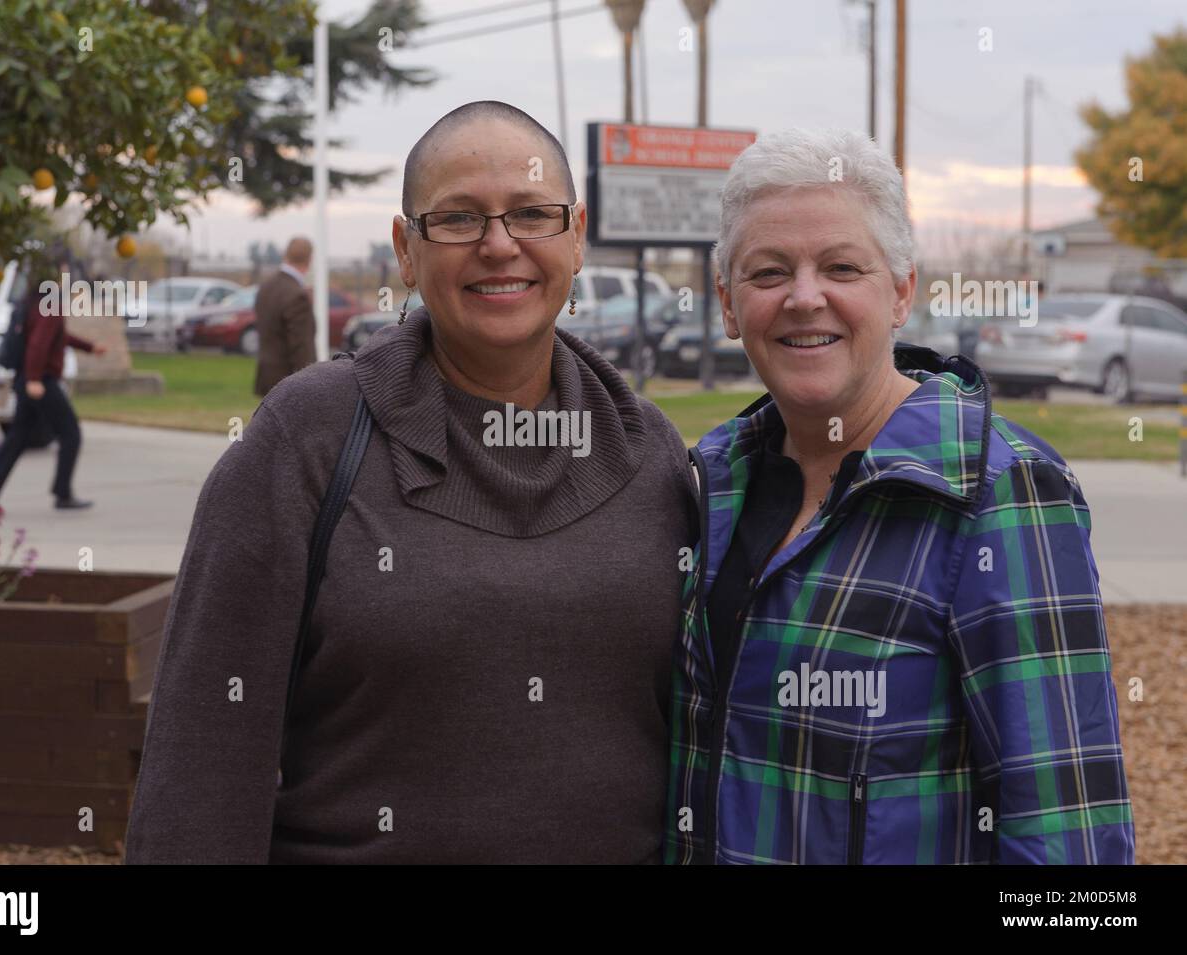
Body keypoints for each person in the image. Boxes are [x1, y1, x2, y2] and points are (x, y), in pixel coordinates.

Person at [126, 101, 696, 863]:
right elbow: (200, 759)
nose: (500, 246)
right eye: (459, 219)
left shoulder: (646, 450)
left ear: (577, 235)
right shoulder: (309, 441)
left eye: (531, 214)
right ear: (405, 248)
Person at [665, 129, 1134, 865]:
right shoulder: (711, 482)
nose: (804, 296)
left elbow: (1067, 841)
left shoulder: (1002, 494)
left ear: (902, 291)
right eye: (768, 272)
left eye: (842, 267)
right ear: (727, 303)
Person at [0, 255, 106, 514]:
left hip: (27, 379)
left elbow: (57, 337)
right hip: (41, 382)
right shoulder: (50, 304)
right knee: (70, 433)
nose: (65, 274)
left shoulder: (33, 301)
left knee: (17, 437)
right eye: (62, 269)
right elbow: (38, 344)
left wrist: (89, 347)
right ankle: (63, 493)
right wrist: (35, 380)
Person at [253, 237, 315, 397]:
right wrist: (312, 383)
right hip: (288, 381)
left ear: (286, 255)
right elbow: (301, 346)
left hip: (266, 374)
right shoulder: (297, 295)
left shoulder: (265, 287)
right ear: (309, 259)